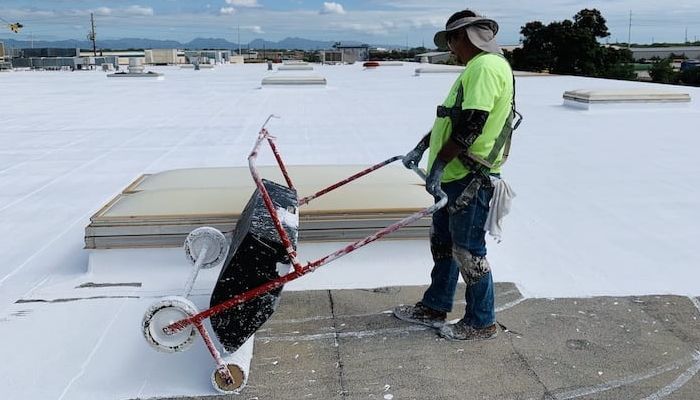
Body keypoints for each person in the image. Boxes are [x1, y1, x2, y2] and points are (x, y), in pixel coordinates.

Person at [393, 9, 517, 341]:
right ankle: (435, 305)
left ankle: (481, 321)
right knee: (444, 245)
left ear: (463, 36)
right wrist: (421, 148)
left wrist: (437, 167)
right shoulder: (477, 68)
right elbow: (448, 121)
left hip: (469, 177)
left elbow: (472, 125)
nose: (450, 49)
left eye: (451, 40)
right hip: (456, 174)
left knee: (468, 250)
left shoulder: (485, 68)